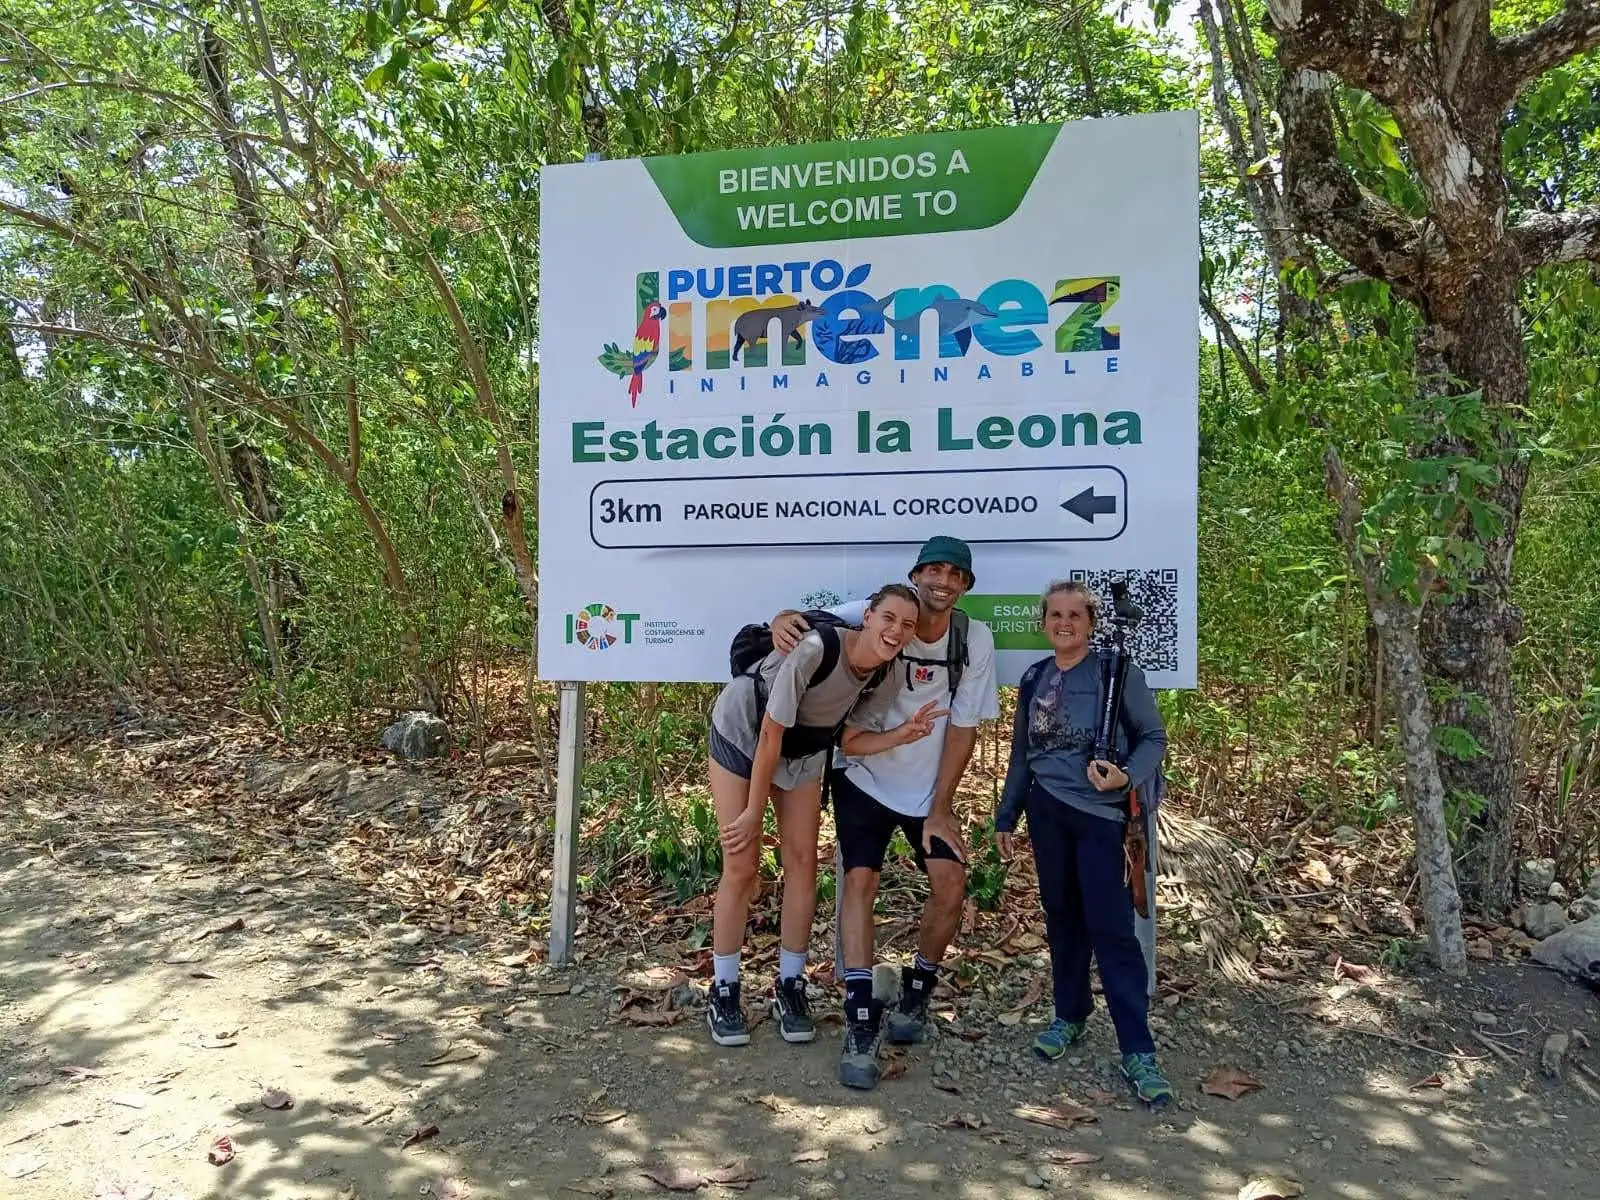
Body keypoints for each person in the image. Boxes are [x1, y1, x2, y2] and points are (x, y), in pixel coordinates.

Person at [770, 535, 1000, 1089]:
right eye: (933, 570)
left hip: (928, 790)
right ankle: (860, 1018)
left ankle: (916, 994)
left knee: (951, 885)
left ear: (965, 585)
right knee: (859, 884)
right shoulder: (880, 610)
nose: (942, 582)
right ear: (915, 574)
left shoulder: (974, 639)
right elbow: (809, 623)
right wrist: (783, 618)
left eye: (955, 574)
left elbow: (964, 730)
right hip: (863, 774)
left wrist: (942, 809)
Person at [704, 582, 924, 1048]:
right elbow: (768, 736)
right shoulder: (816, 649)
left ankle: (790, 984)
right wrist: (752, 814)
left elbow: (849, 740)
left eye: (907, 625)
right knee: (741, 865)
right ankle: (723, 987)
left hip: (804, 748)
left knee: (803, 863)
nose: (896, 631)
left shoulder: (888, 671)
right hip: (747, 730)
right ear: (868, 617)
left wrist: (901, 736)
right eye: (888, 619)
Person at [992, 579, 1174, 1106]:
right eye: (1055, 614)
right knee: (1062, 917)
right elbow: (1021, 754)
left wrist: (1124, 776)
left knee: (1112, 929)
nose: (1065, 622)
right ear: (1043, 622)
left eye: (1076, 614)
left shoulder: (1118, 674)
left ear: (1091, 623)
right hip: (1046, 812)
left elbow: (1153, 738)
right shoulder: (1035, 677)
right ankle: (1069, 1014)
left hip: (1100, 816)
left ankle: (1138, 1049)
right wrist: (1007, 815)